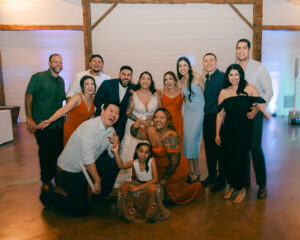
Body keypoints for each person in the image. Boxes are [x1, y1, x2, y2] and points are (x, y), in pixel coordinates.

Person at [39, 102, 120, 216]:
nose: (114, 115)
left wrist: (116, 146)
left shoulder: (111, 131)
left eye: (117, 113)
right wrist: (97, 181)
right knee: (81, 208)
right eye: (111, 111)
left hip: (84, 168)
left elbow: (112, 156)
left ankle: (100, 196)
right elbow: (88, 159)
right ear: (102, 111)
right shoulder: (89, 127)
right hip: (68, 171)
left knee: (113, 164)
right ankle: (47, 195)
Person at [215, 64, 272, 203]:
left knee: (241, 159)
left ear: (241, 75)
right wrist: (217, 134)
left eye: (236, 74)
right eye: (231, 75)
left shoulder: (250, 88)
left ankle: (242, 188)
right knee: (230, 158)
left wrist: (269, 117)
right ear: (227, 77)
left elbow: (261, 104)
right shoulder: (224, 92)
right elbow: (220, 114)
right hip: (228, 130)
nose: (234, 77)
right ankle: (234, 186)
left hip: (245, 130)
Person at [131, 108, 205, 204]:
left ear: (167, 121)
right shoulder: (150, 130)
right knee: (158, 196)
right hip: (158, 168)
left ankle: (199, 186)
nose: (158, 120)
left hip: (174, 169)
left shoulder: (172, 137)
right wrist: (136, 123)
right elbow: (134, 132)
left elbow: (174, 163)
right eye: (156, 117)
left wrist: (164, 180)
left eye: (162, 117)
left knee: (173, 198)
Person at [236, 39, 273, 199]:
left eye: (244, 48)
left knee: (255, 147)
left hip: (255, 112)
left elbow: (269, 91)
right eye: (238, 48)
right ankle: (244, 181)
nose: (241, 51)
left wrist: (258, 108)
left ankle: (262, 184)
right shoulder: (235, 68)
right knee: (242, 148)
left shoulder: (259, 67)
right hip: (239, 115)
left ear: (249, 50)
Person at [25, 53, 66, 191]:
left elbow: (63, 101)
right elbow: (29, 95)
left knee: (57, 151)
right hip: (42, 124)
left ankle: (55, 176)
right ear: (49, 63)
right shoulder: (38, 77)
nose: (58, 64)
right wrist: (29, 117)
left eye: (60, 62)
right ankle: (46, 180)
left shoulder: (61, 81)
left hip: (58, 124)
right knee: (46, 153)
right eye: (55, 62)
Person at [113, 71, 160, 188]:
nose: (145, 81)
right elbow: (128, 112)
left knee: (149, 153)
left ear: (151, 81)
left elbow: (160, 110)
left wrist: (152, 118)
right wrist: (139, 120)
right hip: (135, 125)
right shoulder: (133, 94)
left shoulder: (156, 94)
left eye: (148, 79)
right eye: (143, 78)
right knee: (131, 153)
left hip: (151, 126)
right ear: (139, 81)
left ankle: (148, 178)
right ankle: (128, 180)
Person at [113, 142, 171, 223]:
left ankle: (149, 214)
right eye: (141, 151)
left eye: (146, 152)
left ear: (150, 153)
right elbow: (121, 166)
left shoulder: (152, 161)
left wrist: (138, 188)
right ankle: (130, 213)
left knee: (152, 190)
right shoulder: (134, 162)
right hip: (138, 183)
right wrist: (115, 152)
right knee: (124, 187)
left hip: (150, 184)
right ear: (137, 151)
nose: (143, 155)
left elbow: (155, 179)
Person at [37, 75, 96, 146]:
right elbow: (63, 110)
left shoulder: (94, 98)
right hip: (71, 128)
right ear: (82, 87)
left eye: (92, 84)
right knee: (70, 153)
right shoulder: (77, 98)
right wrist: (50, 121)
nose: (90, 87)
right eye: (87, 84)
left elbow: (91, 115)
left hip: (82, 130)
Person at [177, 57, 205, 183]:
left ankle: (197, 170)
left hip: (199, 111)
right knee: (188, 140)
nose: (182, 68)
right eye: (180, 66)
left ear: (189, 66)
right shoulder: (181, 80)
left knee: (194, 139)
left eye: (185, 65)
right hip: (188, 112)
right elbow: (181, 97)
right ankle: (191, 170)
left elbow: (206, 94)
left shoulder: (197, 77)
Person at [202, 53, 226, 192]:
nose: (209, 63)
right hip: (207, 118)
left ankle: (222, 180)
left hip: (219, 118)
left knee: (219, 150)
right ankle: (212, 175)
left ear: (216, 62)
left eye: (211, 60)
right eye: (206, 61)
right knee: (209, 150)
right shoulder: (207, 78)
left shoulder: (222, 77)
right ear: (203, 64)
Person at [94, 65, 135, 142]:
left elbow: (145, 90)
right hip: (103, 122)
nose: (126, 77)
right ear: (119, 75)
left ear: (131, 77)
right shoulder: (107, 84)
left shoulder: (133, 87)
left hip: (120, 125)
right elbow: (97, 100)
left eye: (129, 75)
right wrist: (106, 110)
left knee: (114, 148)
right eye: (124, 74)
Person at [161, 71, 184, 140]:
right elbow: (148, 88)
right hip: (165, 123)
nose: (168, 81)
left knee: (179, 143)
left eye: (170, 79)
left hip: (179, 122)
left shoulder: (182, 91)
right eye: (166, 79)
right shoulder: (161, 92)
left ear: (175, 81)